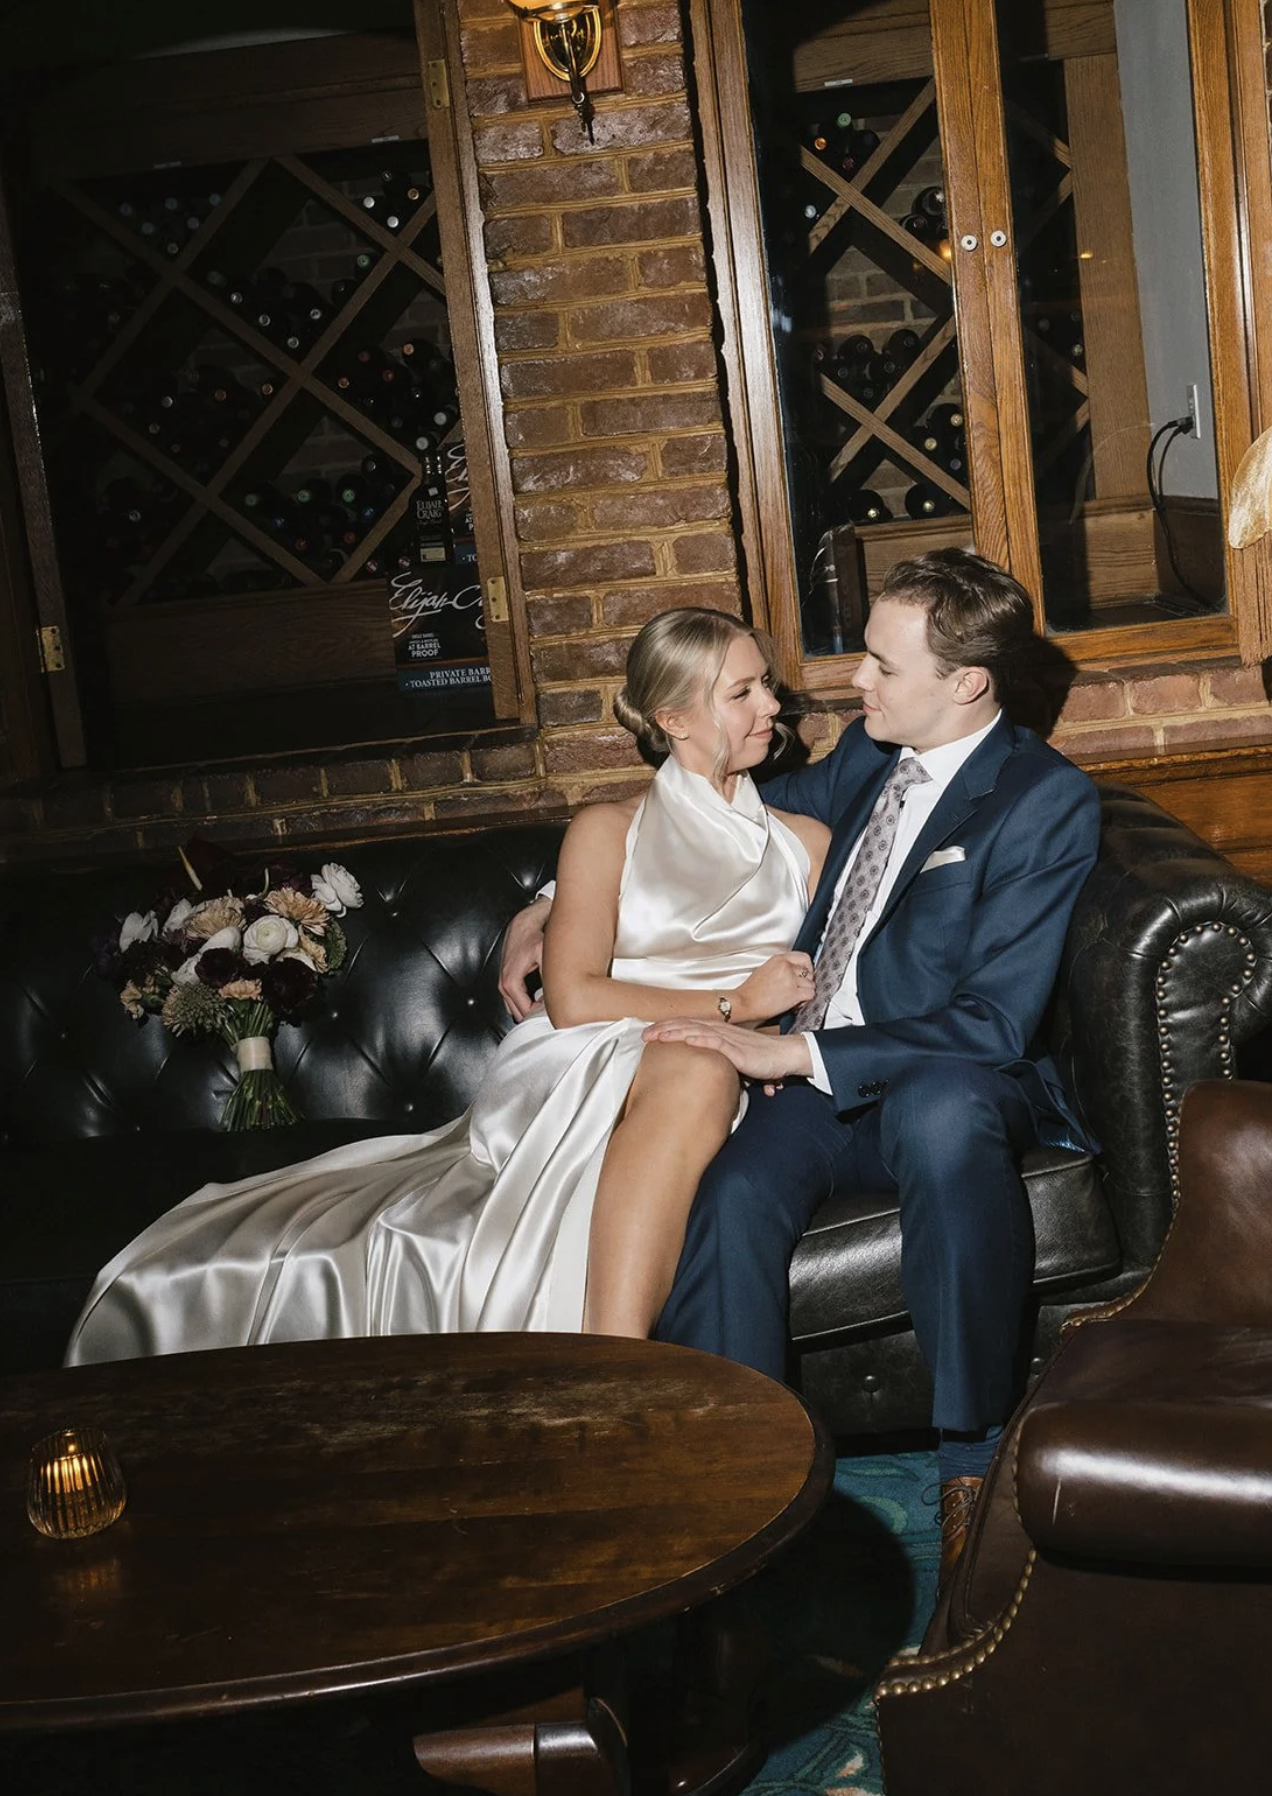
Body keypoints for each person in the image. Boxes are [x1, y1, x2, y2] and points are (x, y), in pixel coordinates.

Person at [499, 547, 1101, 1586]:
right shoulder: (874, 756)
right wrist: (549, 908)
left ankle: (971, 1467)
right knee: (731, 1195)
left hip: (943, 1067)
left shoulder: (1044, 800)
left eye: (878, 663)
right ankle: (731, 1493)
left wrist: (797, 1045)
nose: (848, 683)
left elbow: (995, 1023)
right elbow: (711, 823)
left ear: (965, 683)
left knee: (948, 1122)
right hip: (815, 1079)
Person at [65, 608, 828, 1366]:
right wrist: (735, 1006)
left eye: (765, 686)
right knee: (693, 1065)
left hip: (725, 1057)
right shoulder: (605, 829)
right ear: (674, 717)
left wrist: (763, 1031)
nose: (771, 706)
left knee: (698, 1066)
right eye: (744, 693)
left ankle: (607, 1369)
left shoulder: (808, 843)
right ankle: (616, 1365)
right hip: (592, 1051)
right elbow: (576, 997)